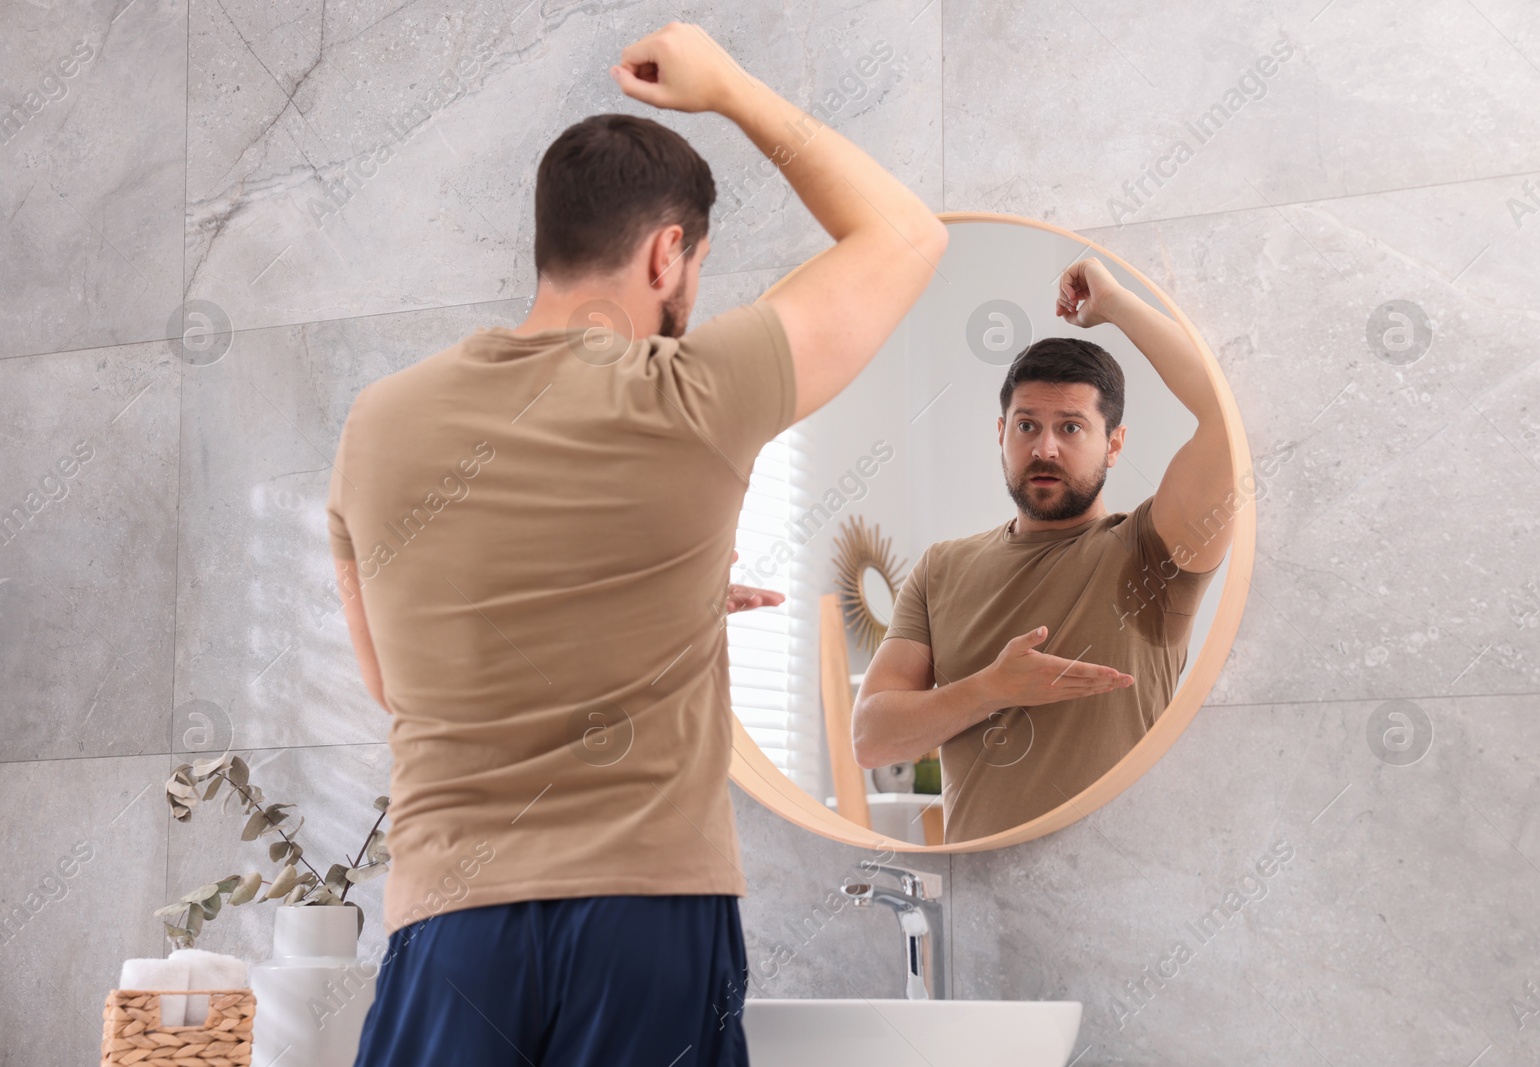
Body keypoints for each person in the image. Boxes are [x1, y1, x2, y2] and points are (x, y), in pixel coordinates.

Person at [325, 21, 947, 1067]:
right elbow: (904, 235)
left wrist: (660, 601)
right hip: (645, 917)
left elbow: (397, 679)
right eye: (695, 264)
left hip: (447, 920)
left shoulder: (376, 424)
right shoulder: (689, 395)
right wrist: (734, 89)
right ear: (670, 251)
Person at [852, 257, 1234, 843]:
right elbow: (872, 739)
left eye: (1072, 428)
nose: (1045, 448)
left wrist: (1115, 305)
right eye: (1026, 425)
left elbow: (1231, 422)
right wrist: (993, 689)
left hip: (1123, 898)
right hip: (976, 904)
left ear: (1114, 445)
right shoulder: (942, 567)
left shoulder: (1155, 549)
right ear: (1000, 434)